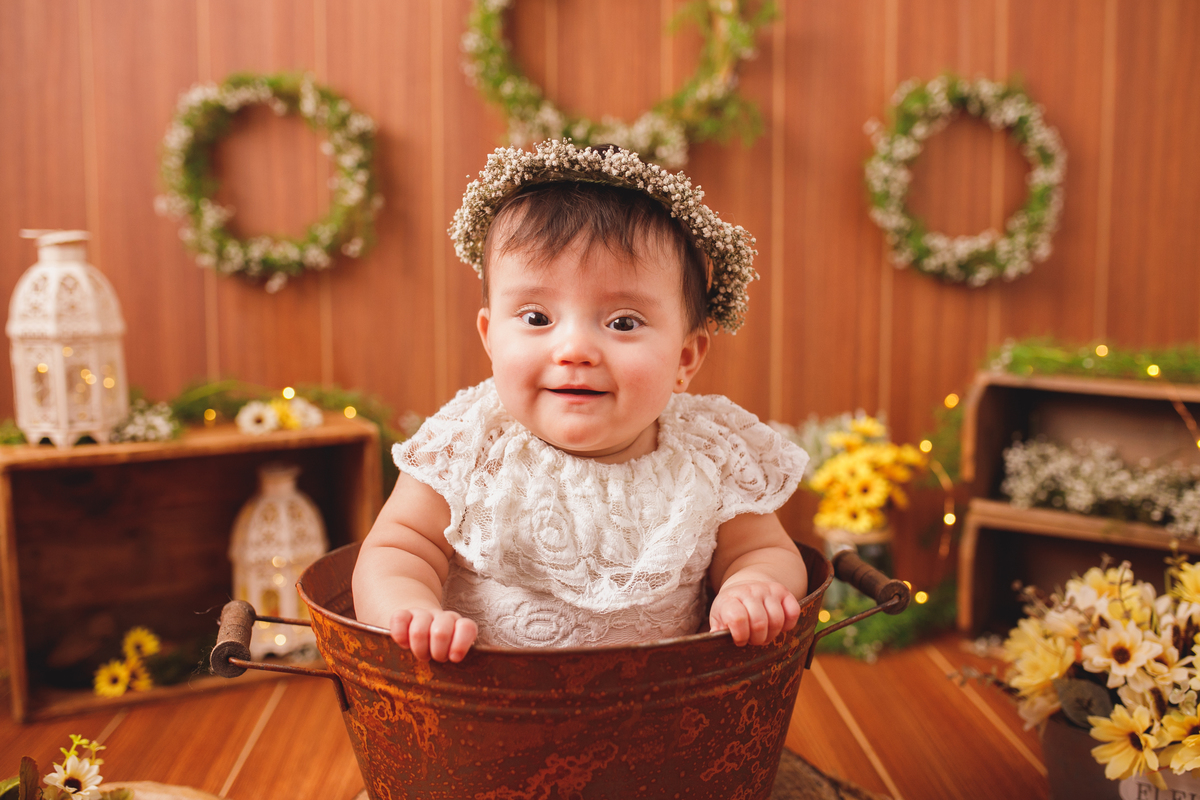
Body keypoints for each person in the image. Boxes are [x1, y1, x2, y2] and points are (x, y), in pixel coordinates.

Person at [352, 139, 809, 662]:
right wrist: (410, 611)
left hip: (668, 715)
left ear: (685, 358)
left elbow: (765, 551)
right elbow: (397, 549)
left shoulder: (709, 452)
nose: (574, 350)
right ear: (490, 338)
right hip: (488, 715)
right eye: (537, 318)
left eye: (622, 322)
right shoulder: (469, 443)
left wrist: (751, 586)